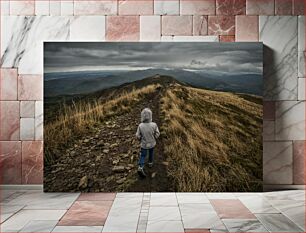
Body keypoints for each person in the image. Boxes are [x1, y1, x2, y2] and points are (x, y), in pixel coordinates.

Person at [136, 108, 160, 177]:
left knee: (143, 155)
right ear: (150, 116)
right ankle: (150, 163)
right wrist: (155, 137)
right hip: (152, 143)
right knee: (151, 153)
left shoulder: (140, 125)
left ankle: (140, 167)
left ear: (142, 116)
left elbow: (137, 135)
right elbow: (157, 133)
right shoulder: (154, 124)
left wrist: (139, 139)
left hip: (144, 144)